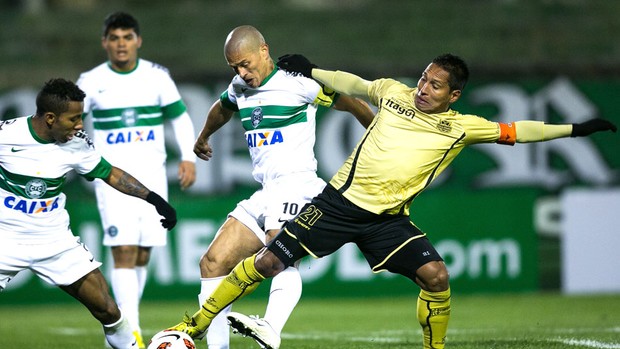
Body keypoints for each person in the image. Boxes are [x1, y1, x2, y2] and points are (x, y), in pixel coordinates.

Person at [169, 53, 617, 348]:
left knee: (437, 276)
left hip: (388, 220)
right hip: (337, 204)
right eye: (423, 77)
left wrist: (575, 129)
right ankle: (197, 324)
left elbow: (518, 132)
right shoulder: (394, 92)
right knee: (269, 262)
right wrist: (312, 70)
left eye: (435, 85)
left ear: (453, 95)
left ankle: (434, 348)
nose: (424, 87)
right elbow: (352, 83)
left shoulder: (463, 126)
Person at [187, 25, 374, 349]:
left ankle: (270, 331)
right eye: (235, 68)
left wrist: (376, 133)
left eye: (246, 64)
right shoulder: (238, 87)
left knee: (279, 253)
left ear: (264, 50)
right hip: (267, 190)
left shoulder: (298, 84)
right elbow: (222, 108)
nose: (242, 73)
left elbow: (349, 102)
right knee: (212, 262)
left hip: (299, 185)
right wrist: (204, 135)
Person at [0, 78, 177, 349]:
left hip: (54, 242)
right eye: (73, 119)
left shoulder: (77, 145)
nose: (80, 125)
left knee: (108, 310)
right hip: (5, 239)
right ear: (50, 118)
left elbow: (112, 174)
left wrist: (154, 199)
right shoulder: (6, 135)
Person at [76, 12, 196, 348]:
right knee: (123, 251)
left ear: (138, 40)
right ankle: (132, 334)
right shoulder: (90, 80)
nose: (121, 44)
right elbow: (72, 122)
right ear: (105, 43)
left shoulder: (156, 77)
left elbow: (180, 116)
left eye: (127, 37)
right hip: (113, 180)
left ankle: (124, 329)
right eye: (114, 38)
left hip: (152, 178)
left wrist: (187, 155)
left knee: (142, 254)